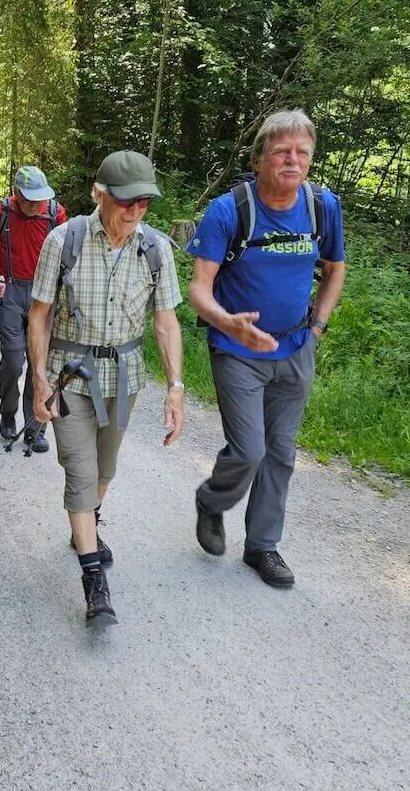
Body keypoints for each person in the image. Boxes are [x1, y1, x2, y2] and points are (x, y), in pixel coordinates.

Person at [186, 108, 346, 589]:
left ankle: (262, 546)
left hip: (297, 347)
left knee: (281, 452)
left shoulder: (322, 206)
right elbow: (198, 287)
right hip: (237, 351)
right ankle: (212, 502)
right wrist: (226, 323)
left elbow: (335, 267)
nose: (292, 161)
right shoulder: (229, 210)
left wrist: (317, 326)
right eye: (281, 152)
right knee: (250, 450)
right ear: (259, 160)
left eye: (302, 153)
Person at [28, 150, 185, 625]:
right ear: (100, 195)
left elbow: (166, 322)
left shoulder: (156, 249)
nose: (135, 212)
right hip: (69, 375)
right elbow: (39, 314)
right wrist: (38, 379)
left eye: (144, 203)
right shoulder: (64, 240)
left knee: (105, 467)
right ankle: (94, 581)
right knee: (79, 469)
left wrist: (175, 386)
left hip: (125, 376)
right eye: (126, 202)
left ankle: (86, 525)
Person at [0, 165, 68, 453]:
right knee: (14, 362)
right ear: (16, 194)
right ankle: (7, 412)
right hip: (10, 292)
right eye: (28, 200)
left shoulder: (55, 214)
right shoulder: (0, 211)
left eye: (39, 199)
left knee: (40, 363)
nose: (35, 205)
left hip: (45, 294)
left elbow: (69, 257)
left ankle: (35, 425)